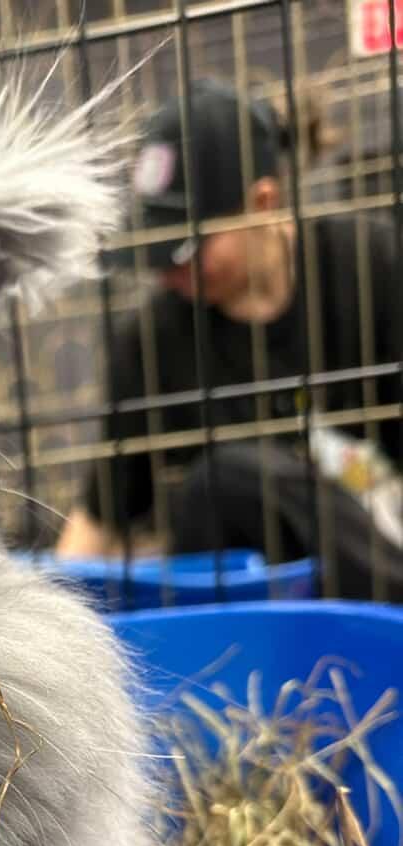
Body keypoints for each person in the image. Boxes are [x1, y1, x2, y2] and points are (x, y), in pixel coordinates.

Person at [56, 79, 403, 599]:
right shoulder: (153, 341)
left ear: (262, 202)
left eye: (185, 249)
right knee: (217, 490)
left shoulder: (375, 267)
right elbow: (99, 519)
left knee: (233, 478)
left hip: (383, 549)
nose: (167, 273)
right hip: (264, 599)